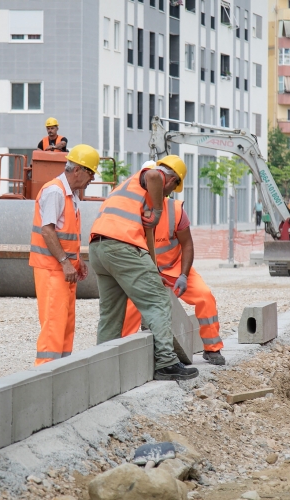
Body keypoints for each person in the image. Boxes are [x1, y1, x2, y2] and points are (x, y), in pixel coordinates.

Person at [89, 155, 199, 381]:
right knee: (158, 300)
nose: (167, 196)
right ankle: (166, 363)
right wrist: (158, 211)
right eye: (171, 190)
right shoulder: (153, 176)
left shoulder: (127, 189)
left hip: (99, 249)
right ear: (171, 180)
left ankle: (101, 371)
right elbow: (153, 174)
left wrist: (153, 270)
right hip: (121, 247)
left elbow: (147, 240)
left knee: (110, 315)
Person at [121, 188, 226, 365]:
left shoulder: (175, 210)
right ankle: (124, 354)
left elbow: (187, 245)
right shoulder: (131, 210)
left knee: (205, 297)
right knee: (129, 309)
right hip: (146, 272)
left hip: (176, 269)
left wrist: (184, 275)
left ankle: (212, 348)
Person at [29, 144, 98, 365]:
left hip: (63, 270)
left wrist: (78, 261)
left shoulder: (71, 195)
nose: (92, 179)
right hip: (52, 270)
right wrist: (65, 263)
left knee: (66, 324)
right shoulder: (55, 191)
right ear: (77, 170)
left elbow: (66, 234)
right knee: (53, 324)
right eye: (91, 173)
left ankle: (61, 369)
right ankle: (44, 373)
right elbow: (47, 230)